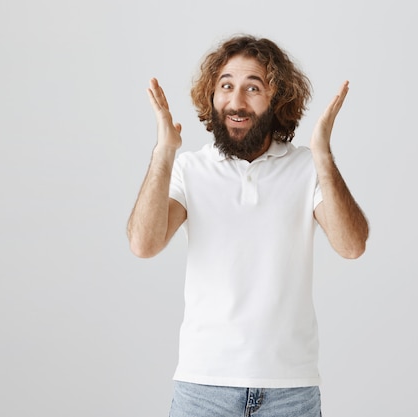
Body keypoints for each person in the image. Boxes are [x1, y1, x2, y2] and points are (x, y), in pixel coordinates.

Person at [127, 34, 369, 417]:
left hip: (291, 392)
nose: (236, 102)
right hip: (203, 389)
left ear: (278, 98)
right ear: (212, 94)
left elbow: (351, 245)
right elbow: (144, 244)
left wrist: (322, 155)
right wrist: (164, 152)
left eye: (252, 88)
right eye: (226, 86)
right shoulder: (189, 169)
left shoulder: (307, 166)